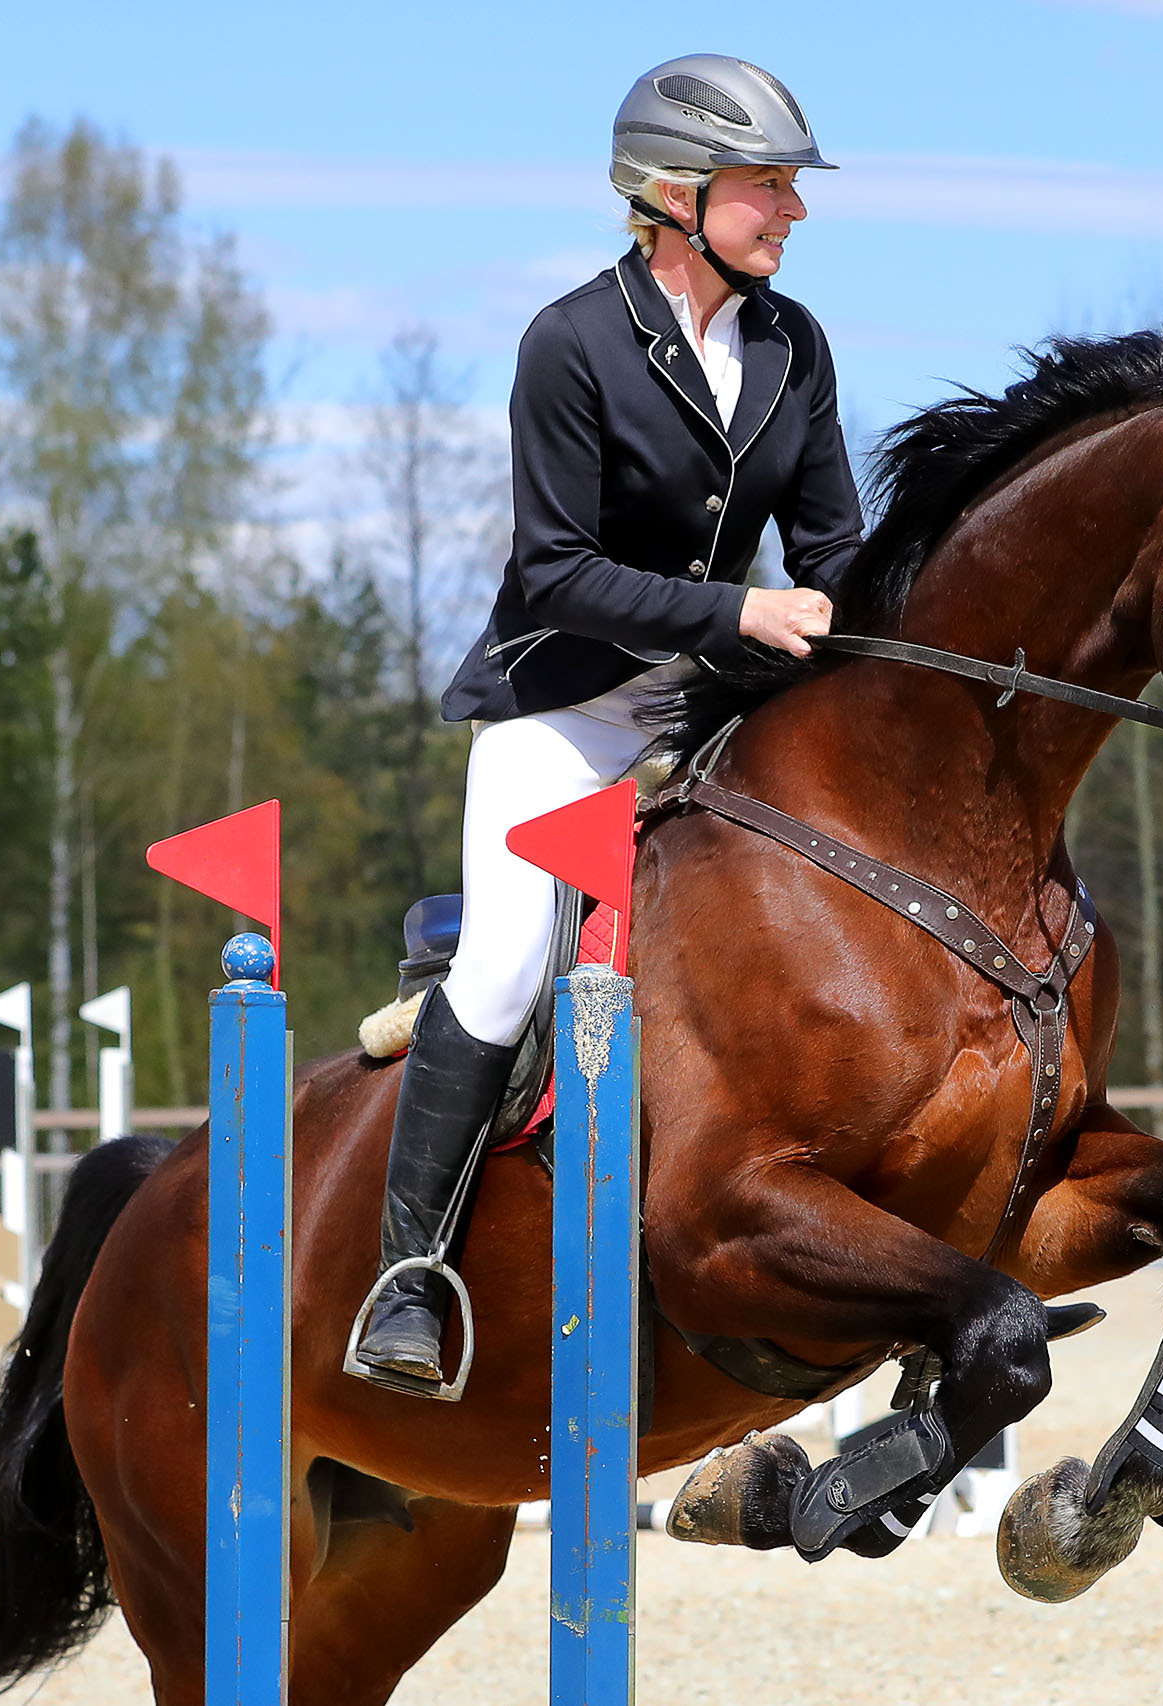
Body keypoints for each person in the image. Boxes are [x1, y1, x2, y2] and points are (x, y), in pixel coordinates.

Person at [350, 54, 864, 1396]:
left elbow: (836, 549)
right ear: (674, 197)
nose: (792, 213)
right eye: (769, 188)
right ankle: (409, 1272)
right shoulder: (570, 342)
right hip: (565, 704)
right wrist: (741, 614)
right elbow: (558, 571)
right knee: (514, 959)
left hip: (710, 709)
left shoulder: (793, 346)